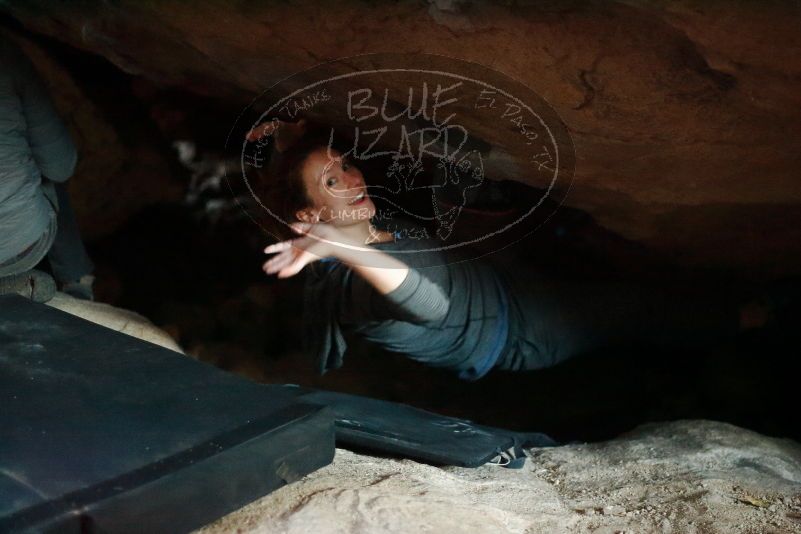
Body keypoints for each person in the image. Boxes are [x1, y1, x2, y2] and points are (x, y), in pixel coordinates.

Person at [250, 120, 772, 381]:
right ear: (312, 218)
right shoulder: (351, 292)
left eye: (344, 163)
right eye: (331, 178)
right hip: (519, 331)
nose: (350, 177)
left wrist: (285, 145)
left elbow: (315, 198)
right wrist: (341, 246)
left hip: (493, 277)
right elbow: (429, 304)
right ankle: (750, 319)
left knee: (535, 225)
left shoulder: (362, 220)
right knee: (634, 308)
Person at [0, 36, 94, 303]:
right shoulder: (6, 53)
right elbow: (61, 166)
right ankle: (76, 280)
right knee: (49, 167)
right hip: (18, 249)